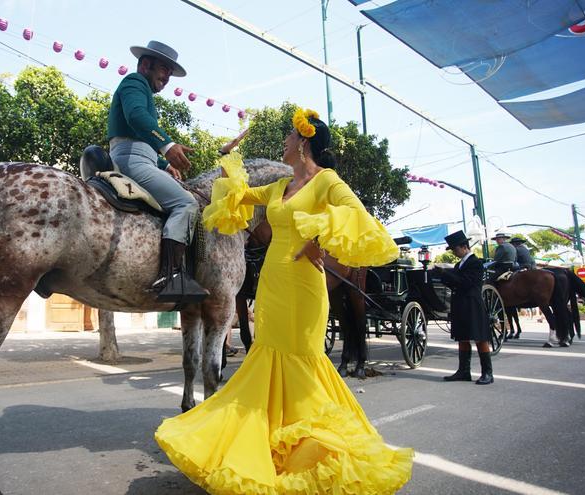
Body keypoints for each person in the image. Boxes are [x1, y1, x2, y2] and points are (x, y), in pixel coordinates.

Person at [154, 108, 413, 493]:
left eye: (289, 137)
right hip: (273, 282)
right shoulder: (278, 188)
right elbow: (238, 198)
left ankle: (311, 453)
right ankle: (272, 448)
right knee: (269, 357)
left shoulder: (327, 181)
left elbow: (356, 214)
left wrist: (317, 236)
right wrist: (228, 159)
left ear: (304, 142)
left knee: (303, 361)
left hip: (306, 285)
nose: (284, 143)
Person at [106, 40, 207, 303]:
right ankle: (171, 277)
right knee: (186, 204)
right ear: (146, 64)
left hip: (139, 159)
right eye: (164, 70)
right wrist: (168, 146)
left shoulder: (143, 89)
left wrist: (165, 165)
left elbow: (140, 140)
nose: (166, 78)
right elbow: (137, 117)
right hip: (132, 160)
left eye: (170, 74)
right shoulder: (135, 82)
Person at [432, 230, 494, 385]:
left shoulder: (475, 263)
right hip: (460, 303)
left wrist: (445, 273)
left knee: (479, 338)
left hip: (472, 302)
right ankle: (464, 371)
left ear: (464, 246)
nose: (454, 252)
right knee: (462, 337)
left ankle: (487, 372)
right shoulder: (459, 264)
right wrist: (442, 275)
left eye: (455, 249)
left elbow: (465, 282)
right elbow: (454, 281)